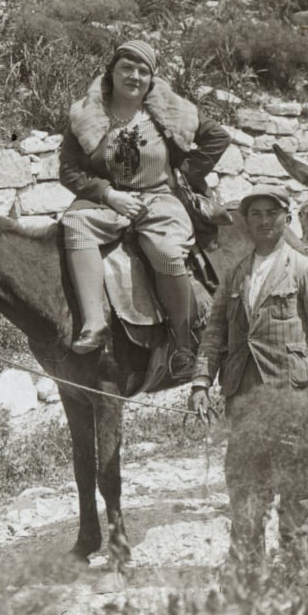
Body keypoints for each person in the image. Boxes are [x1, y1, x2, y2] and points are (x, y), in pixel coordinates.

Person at [189, 185, 308, 567]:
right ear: (245, 223)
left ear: (286, 220)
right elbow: (214, 333)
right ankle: (247, 570)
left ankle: (299, 568)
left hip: (294, 394)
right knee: (244, 486)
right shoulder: (236, 274)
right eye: (255, 215)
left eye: (271, 214)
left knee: (298, 488)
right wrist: (200, 383)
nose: (263, 222)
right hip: (242, 396)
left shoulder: (307, 271)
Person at [58, 40, 231, 371]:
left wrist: (182, 174)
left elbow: (218, 137)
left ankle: (183, 343)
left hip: (159, 198)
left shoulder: (171, 110)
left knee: (166, 252)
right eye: (126, 68)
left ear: (152, 78)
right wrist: (108, 194)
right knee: (74, 223)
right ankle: (94, 323)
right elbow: (68, 170)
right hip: (110, 199)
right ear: (112, 71)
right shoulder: (87, 113)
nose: (134, 76)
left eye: (143, 71)